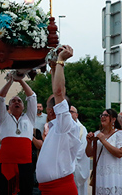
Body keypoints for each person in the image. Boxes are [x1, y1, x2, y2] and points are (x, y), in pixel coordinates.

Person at [36, 45, 80, 195]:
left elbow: (59, 91)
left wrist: (61, 61)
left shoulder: (65, 124)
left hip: (60, 189)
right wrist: (54, 67)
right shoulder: (57, 125)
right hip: (51, 188)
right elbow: (57, 91)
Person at [0, 72, 37, 195]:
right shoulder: (3, 118)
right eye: (13, 101)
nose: (16, 102)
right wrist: (10, 81)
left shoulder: (29, 118)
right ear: (9, 106)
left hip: (26, 164)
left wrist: (20, 80)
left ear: (23, 106)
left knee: (26, 192)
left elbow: (32, 97)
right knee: (5, 192)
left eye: (19, 100)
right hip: (6, 164)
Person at [85, 108, 122, 194]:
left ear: (113, 119)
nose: (103, 117)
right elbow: (89, 154)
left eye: (106, 115)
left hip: (114, 176)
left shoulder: (119, 134)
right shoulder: (98, 133)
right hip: (100, 176)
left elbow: (120, 153)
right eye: (102, 115)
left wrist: (103, 141)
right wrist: (89, 142)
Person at [69, 106, 90, 195]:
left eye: (71, 111)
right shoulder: (64, 126)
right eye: (68, 111)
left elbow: (82, 150)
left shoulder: (82, 129)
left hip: (75, 165)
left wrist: (70, 159)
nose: (69, 113)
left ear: (76, 115)